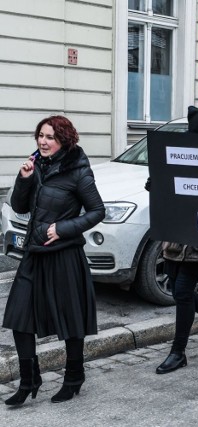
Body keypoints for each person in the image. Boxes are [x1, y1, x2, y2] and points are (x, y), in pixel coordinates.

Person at [3, 116, 105, 405]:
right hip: (34, 254)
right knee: (19, 318)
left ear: (64, 140)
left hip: (64, 256)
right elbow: (20, 207)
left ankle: (74, 378)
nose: (43, 142)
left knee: (71, 322)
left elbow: (97, 211)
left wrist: (63, 228)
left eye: (50, 137)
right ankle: (29, 380)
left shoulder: (78, 171)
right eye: (41, 136)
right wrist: (23, 179)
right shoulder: (37, 167)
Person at [153, 106, 198, 376]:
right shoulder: (181, 158)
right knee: (177, 289)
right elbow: (171, 196)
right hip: (175, 240)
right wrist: (158, 185)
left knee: (183, 292)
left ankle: (178, 352)